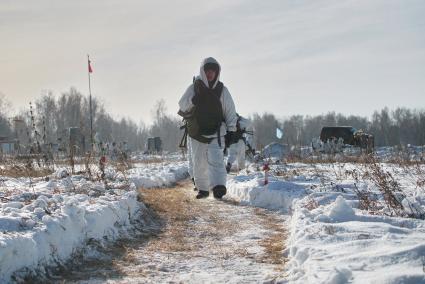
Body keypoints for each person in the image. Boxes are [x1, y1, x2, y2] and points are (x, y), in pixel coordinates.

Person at [178, 57, 237, 199]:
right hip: (197, 131)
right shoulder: (194, 88)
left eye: (213, 71)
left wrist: (231, 130)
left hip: (217, 131)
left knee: (216, 160)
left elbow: (230, 111)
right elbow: (182, 105)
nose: (210, 73)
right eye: (207, 70)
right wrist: (194, 100)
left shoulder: (222, 90)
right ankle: (203, 189)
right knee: (199, 161)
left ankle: (218, 186)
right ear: (203, 71)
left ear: (217, 72)